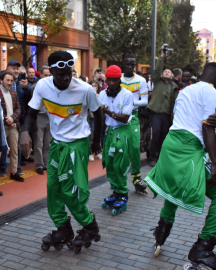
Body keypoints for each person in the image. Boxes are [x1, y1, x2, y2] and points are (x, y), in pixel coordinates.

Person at [144, 62, 216, 270]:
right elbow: (207, 128)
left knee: (174, 189)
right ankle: (203, 247)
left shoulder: (185, 90)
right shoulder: (215, 94)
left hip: (171, 144)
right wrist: (215, 163)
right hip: (189, 147)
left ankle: (161, 233)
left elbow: (188, 119)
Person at [20, 51, 102, 253]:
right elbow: (31, 112)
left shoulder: (84, 90)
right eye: (61, 74)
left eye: (70, 73)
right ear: (51, 71)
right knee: (53, 188)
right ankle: (63, 229)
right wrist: (24, 133)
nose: (66, 78)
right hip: (57, 144)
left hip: (76, 145)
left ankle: (90, 226)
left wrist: (96, 142)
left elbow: (98, 114)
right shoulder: (42, 86)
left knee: (70, 190)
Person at [100, 65, 134, 216]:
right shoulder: (102, 94)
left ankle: (123, 194)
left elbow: (125, 118)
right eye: (109, 80)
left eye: (114, 80)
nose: (111, 83)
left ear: (119, 80)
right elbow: (100, 118)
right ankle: (115, 192)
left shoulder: (127, 95)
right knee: (109, 164)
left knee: (119, 165)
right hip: (108, 133)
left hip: (121, 132)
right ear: (106, 80)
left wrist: (107, 111)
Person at [147, 47, 179, 167]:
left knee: (164, 137)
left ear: (172, 76)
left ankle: (161, 157)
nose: (166, 72)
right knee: (155, 134)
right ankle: (151, 157)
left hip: (167, 115)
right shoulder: (157, 81)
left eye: (169, 72)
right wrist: (162, 55)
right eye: (165, 71)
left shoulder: (173, 87)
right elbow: (157, 68)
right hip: (156, 113)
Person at [120, 54, 148, 194]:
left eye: (132, 64)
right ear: (123, 64)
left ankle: (136, 177)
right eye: (127, 64)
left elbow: (145, 101)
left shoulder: (141, 80)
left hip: (133, 117)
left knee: (135, 147)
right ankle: (118, 180)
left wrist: (130, 103)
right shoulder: (118, 79)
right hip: (117, 118)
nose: (130, 66)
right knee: (119, 149)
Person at [0, 71, 23, 181]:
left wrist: (13, 118)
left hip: (14, 125)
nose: (9, 82)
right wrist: (7, 119)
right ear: (1, 80)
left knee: (14, 150)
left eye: (11, 80)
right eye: (7, 80)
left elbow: (18, 108)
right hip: (1, 127)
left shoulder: (14, 93)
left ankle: (14, 172)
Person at [32, 67, 52, 175]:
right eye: (45, 75)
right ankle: (39, 165)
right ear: (41, 75)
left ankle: (46, 164)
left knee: (47, 143)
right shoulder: (35, 87)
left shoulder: (54, 87)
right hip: (39, 116)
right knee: (38, 143)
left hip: (50, 116)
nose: (47, 77)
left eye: (49, 75)